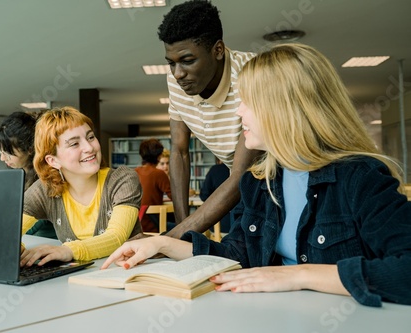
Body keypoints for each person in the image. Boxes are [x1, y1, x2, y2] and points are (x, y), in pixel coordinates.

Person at [102, 43, 411, 307]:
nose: (239, 113)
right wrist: (162, 244)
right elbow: (238, 253)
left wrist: (299, 275)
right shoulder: (261, 180)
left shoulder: (360, 178)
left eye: (248, 102)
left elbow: (405, 271)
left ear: (285, 109)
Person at [157, 0, 260, 238]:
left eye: (188, 60)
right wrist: (184, 231)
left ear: (218, 50)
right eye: (171, 63)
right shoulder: (175, 80)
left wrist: (175, 237)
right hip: (243, 189)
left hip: (278, 181)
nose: (178, 73)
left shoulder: (252, 73)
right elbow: (179, 152)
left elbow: (239, 175)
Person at [20, 106, 143, 267]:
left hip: (126, 277)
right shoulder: (45, 189)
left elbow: (116, 237)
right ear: (53, 161)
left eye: (90, 137)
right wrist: (16, 249)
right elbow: (8, 232)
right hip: (77, 281)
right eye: (74, 144)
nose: (89, 147)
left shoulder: (122, 179)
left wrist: (67, 250)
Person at [0, 111, 57, 239]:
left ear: (30, 149)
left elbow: (25, 226)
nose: (2, 158)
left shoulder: (48, 180)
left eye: (8, 153)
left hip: (49, 245)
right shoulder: (20, 176)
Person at [135, 139, 172, 232]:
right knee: (182, 227)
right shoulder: (158, 173)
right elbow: (174, 197)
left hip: (135, 224)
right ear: (158, 156)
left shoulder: (134, 172)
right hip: (153, 224)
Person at [199, 158, 231, 233]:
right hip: (241, 224)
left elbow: (204, 195)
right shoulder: (247, 170)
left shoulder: (215, 170)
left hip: (219, 224)